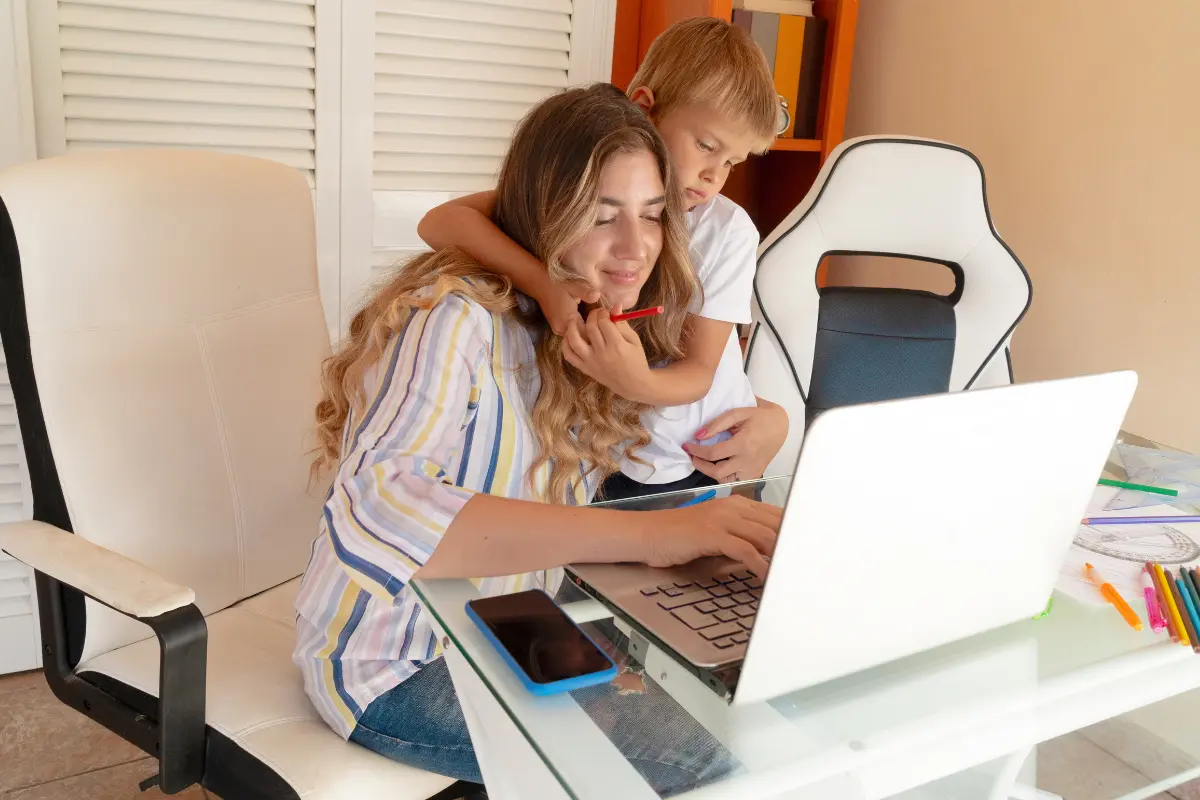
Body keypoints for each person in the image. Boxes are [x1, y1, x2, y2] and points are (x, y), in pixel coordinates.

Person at [293, 83, 788, 794]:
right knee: (715, 767)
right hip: (396, 664)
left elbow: (688, 407)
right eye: (603, 215)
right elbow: (376, 505)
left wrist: (770, 419)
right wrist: (651, 538)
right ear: (545, 211)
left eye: (652, 216)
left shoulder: (595, 327)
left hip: (510, 624)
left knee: (749, 719)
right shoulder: (455, 319)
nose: (635, 247)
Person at [417, 18, 781, 500]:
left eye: (733, 162)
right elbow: (439, 222)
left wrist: (635, 381)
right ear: (644, 111)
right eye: (706, 146)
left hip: (693, 457)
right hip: (607, 446)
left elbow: (699, 372)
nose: (715, 175)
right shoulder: (581, 190)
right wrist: (544, 284)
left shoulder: (723, 230)